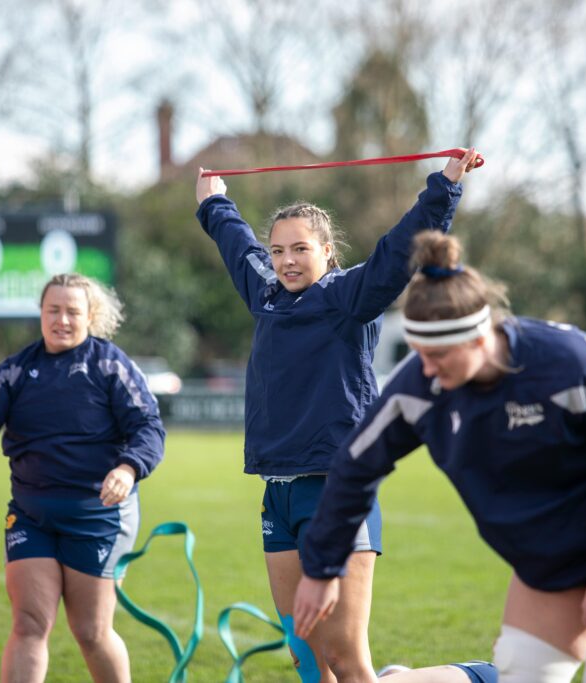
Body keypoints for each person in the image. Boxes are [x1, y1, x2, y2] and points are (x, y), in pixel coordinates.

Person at [293, 232, 586, 683]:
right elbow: (354, 469)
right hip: (551, 554)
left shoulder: (572, 364)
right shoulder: (421, 386)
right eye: (419, 354)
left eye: (439, 355)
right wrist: (324, 570)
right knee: (524, 671)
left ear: (480, 339)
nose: (426, 370)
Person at [195, 149, 481, 683]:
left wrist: (446, 186)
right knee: (309, 663)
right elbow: (238, 247)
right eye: (279, 250)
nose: (287, 260)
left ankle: (474, 675)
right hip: (277, 494)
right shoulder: (267, 295)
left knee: (349, 664)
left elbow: (401, 248)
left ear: (327, 251)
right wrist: (214, 204)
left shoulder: (349, 295)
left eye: (301, 249)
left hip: (336, 491)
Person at [0, 273, 166, 683]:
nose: (61, 320)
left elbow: (149, 427)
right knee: (29, 624)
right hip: (31, 517)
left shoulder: (110, 364)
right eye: (53, 310)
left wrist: (127, 467)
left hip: (99, 516)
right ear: (41, 313)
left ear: (91, 316)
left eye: (72, 311)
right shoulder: (17, 369)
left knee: (90, 630)